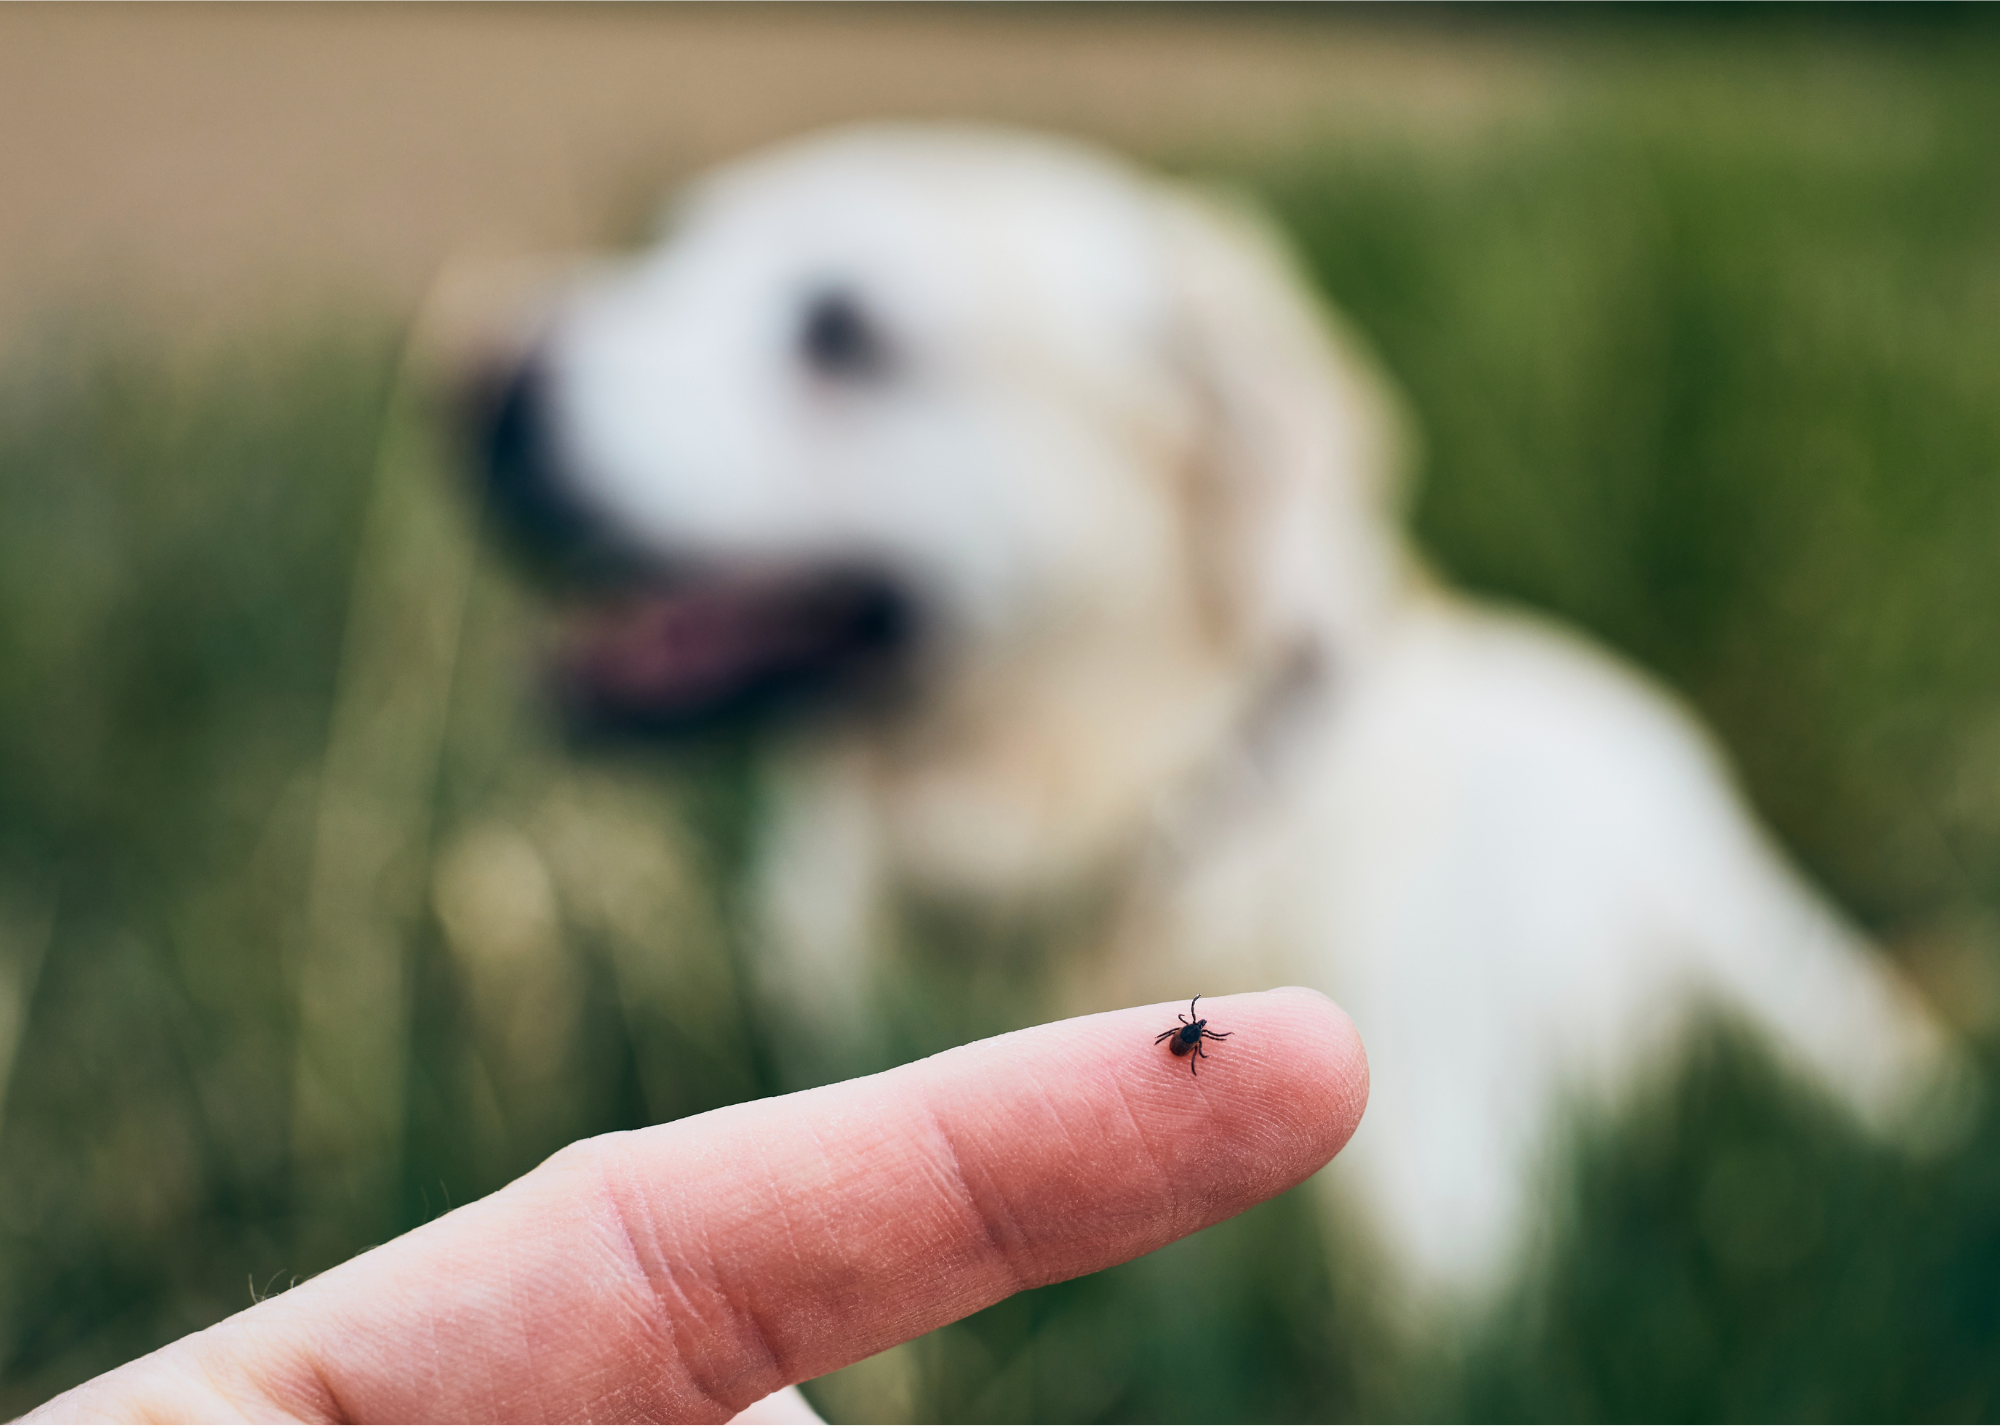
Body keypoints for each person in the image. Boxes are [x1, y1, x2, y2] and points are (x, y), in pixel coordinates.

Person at [24, 990, 1365, 1424]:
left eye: (1190, 1035)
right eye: (1192, 1034)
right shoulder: (1189, 1046)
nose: (1189, 1039)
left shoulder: (1187, 1042)